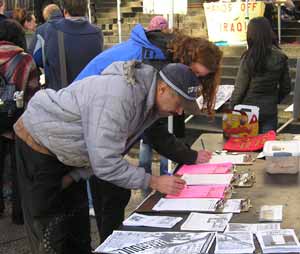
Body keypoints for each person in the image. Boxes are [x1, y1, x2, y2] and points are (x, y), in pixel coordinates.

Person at [14, 61, 203, 254]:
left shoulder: (148, 104)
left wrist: (76, 176)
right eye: (179, 104)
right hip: (39, 142)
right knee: (50, 234)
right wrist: (153, 181)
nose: (180, 112)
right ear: (162, 89)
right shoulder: (120, 96)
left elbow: (107, 149)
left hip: (69, 152)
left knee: (78, 231)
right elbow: (105, 161)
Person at [76, 23, 223, 241]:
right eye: (193, 73)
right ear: (185, 60)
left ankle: (112, 239)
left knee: (112, 192)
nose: (194, 80)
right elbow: (154, 130)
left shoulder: (164, 55)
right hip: (81, 126)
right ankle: (112, 243)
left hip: (94, 122)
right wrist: (187, 158)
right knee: (109, 193)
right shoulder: (155, 65)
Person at [0, 19, 40, 222]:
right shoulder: (25, 60)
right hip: (17, 121)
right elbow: (34, 95)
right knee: (19, 169)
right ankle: (19, 214)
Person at [230, 17, 291, 133]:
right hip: (269, 109)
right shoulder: (281, 57)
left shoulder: (248, 58)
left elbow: (240, 88)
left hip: (247, 110)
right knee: (266, 146)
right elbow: (286, 87)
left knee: (246, 146)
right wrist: (274, 99)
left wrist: (232, 106)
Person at [29, 0, 103, 90]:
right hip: (89, 92)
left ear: (64, 11)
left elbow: (36, 58)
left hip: (60, 94)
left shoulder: (50, 30)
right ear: (85, 10)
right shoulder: (97, 33)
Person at [140, 16, 169, 176]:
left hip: (147, 97)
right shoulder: (171, 46)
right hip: (167, 96)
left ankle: (144, 174)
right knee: (166, 137)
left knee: (146, 140)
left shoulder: (143, 46)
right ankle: (166, 173)